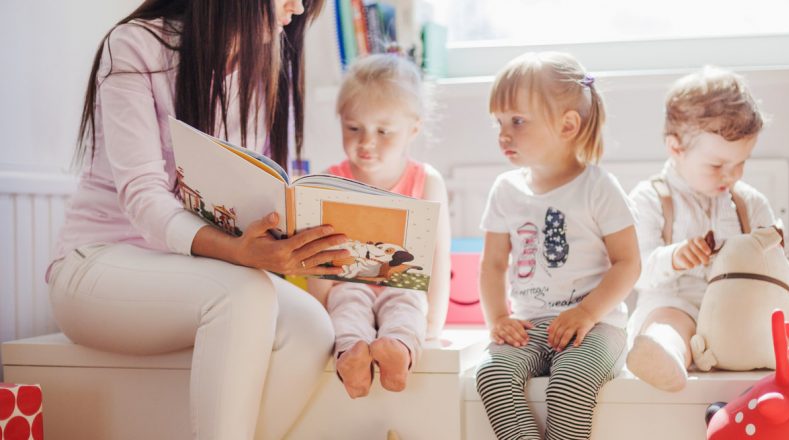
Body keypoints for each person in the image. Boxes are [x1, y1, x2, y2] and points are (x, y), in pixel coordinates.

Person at [47, 1, 350, 439]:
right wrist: (238, 252)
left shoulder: (263, 63)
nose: (298, 7)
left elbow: (249, 194)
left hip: (198, 273)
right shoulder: (137, 47)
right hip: (96, 262)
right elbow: (143, 195)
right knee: (244, 295)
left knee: (311, 328)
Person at [626, 66, 789, 392]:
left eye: (741, 162)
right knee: (668, 321)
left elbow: (785, 257)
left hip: (742, 316)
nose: (732, 175)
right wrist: (675, 258)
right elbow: (636, 271)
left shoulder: (747, 202)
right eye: (717, 165)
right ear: (676, 147)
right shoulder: (650, 198)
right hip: (679, 306)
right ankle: (666, 357)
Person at [474, 52, 641, 440]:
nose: (503, 133)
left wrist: (586, 312)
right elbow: (493, 265)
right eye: (498, 122)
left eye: (517, 120)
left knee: (569, 380)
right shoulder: (505, 191)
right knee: (492, 373)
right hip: (531, 323)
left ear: (567, 125)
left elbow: (628, 263)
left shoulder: (598, 187)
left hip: (596, 325)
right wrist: (498, 318)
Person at [306, 54, 451, 399]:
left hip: (404, 285)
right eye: (353, 128)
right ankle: (352, 356)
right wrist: (319, 309)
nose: (366, 142)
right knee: (347, 305)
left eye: (383, 131)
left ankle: (398, 349)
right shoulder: (328, 181)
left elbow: (438, 256)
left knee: (407, 303)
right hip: (345, 285)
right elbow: (315, 256)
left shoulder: (426, 181)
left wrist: (432, 326)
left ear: (413, 129)